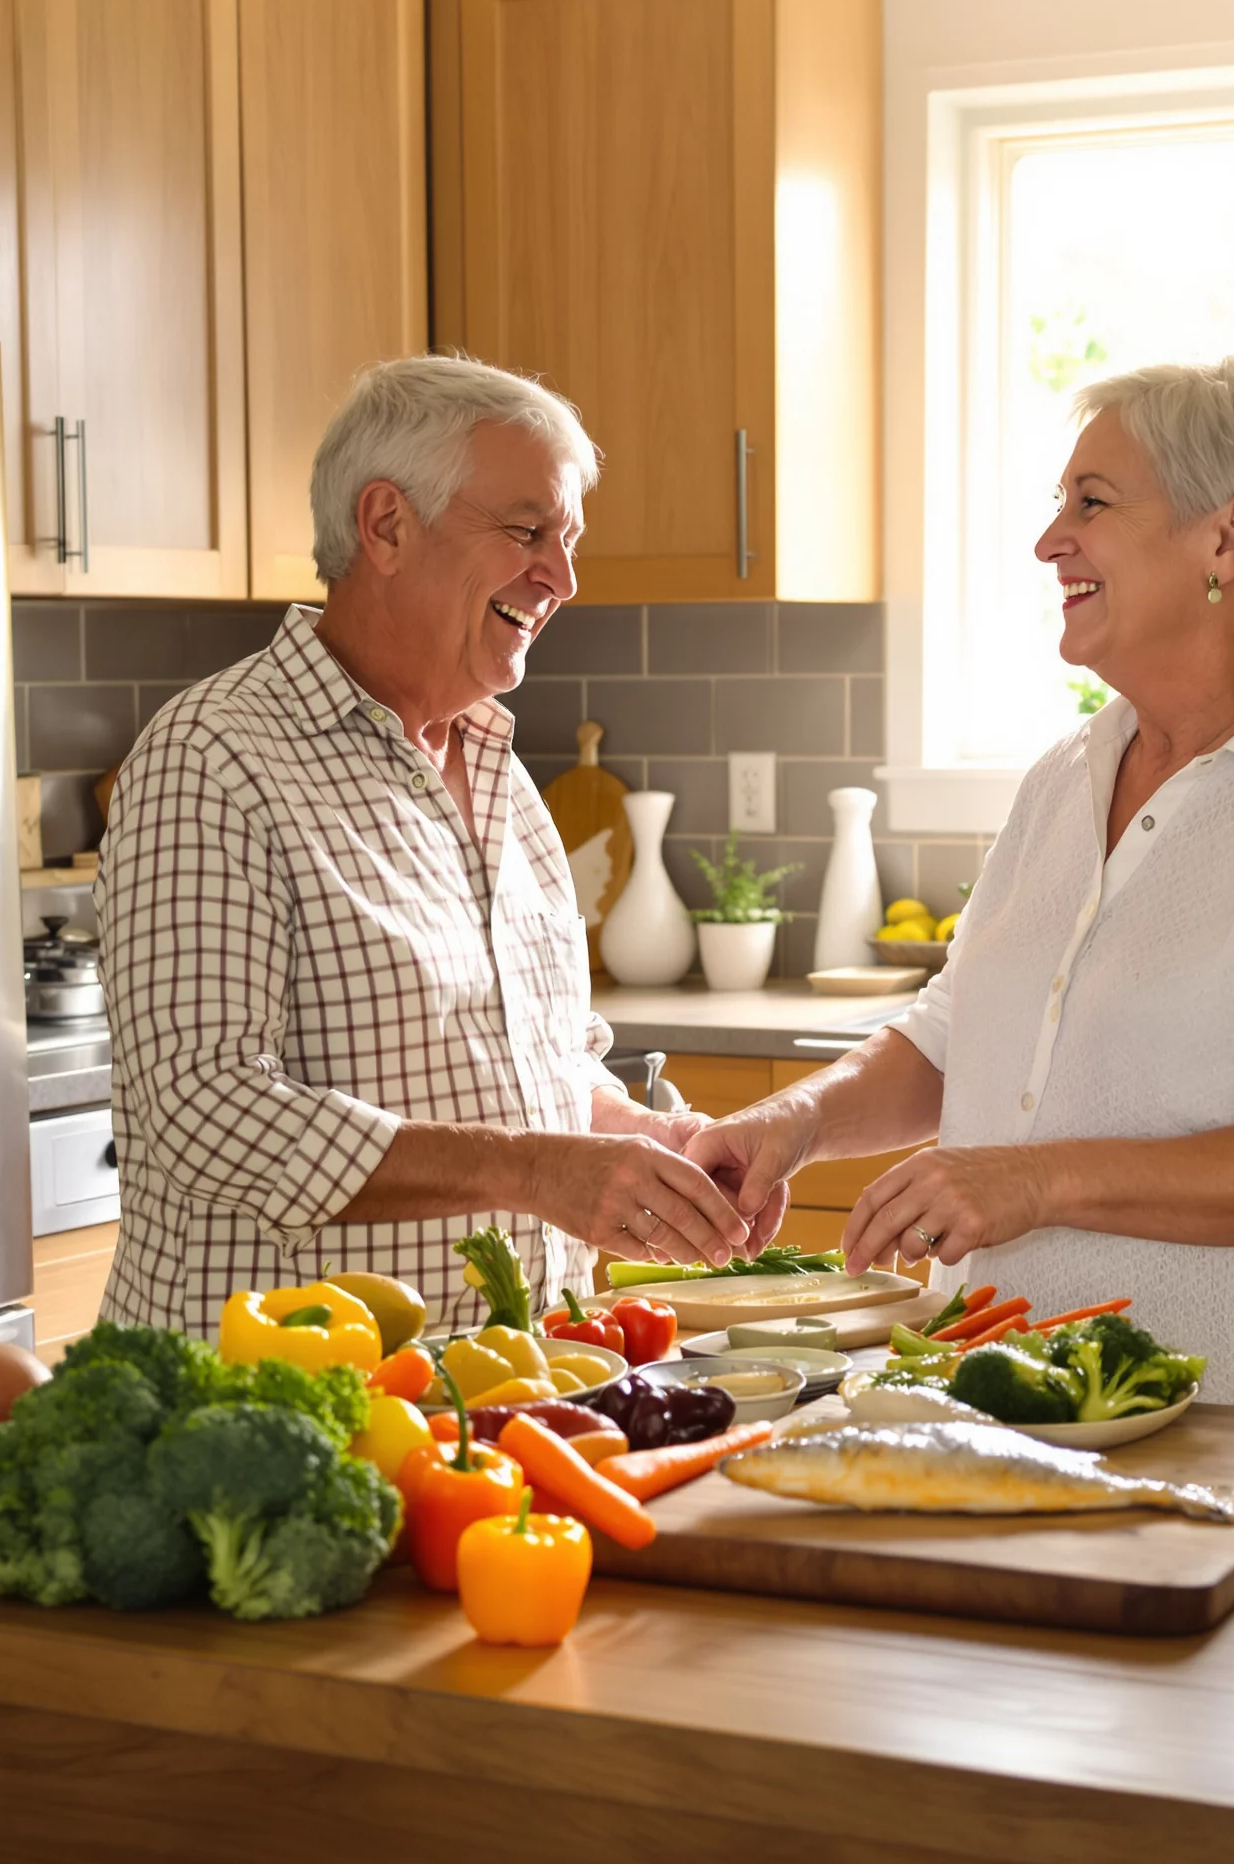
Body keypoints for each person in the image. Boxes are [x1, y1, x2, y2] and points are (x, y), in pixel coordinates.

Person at [688, 358, 1234, 1414]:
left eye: (1092, 502)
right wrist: (794, 1119)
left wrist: (1031, 1179)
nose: (1048, 538)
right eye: (1057, 500)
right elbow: (951, 1031)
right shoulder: (1069, 773)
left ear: (1228, 538)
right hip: (995, 1407)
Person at [95, 355, 768, 1336]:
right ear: (385, 525)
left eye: (568, 539)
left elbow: (538, 1071)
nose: (563, 577)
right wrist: (535, 1170)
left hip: (503, 1397)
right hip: (280, 1415)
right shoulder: (214, 758)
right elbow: (208, 1111)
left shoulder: (500, 773)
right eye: (526, 530)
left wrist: (655, 1145)